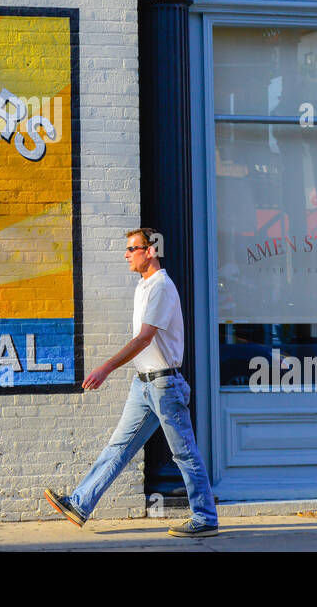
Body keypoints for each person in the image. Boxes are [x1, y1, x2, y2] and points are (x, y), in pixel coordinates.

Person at [44, 228, 219, 537]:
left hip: (164, 386)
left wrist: (106, 368)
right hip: (144, 385)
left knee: (184, 453)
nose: (126, 254)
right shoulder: (143, 286)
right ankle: (80, 504)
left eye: (132, 248)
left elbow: (143, 339)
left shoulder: (161, 287)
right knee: (119, 447)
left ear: (150, 251)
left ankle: (205, 518)